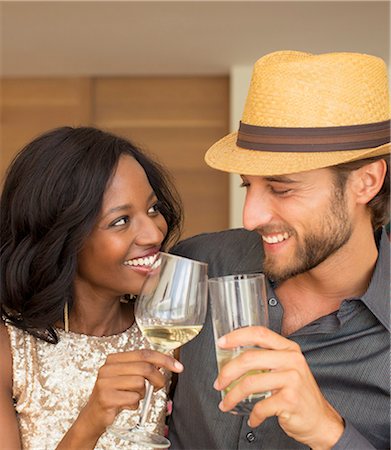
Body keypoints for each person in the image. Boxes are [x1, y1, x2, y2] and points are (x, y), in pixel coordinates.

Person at [168, 51, 390, 449]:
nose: (250, 217)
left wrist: (330, 432)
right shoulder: (198, 264)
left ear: (366, 182)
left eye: (282, 188)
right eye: (246, 186)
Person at [0, 126, 185, 449]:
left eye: (153, 209)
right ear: (62, 239)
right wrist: (92, 420)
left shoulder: (168, 334)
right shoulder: (10, 349)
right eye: (121, 221)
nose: (154, 234)